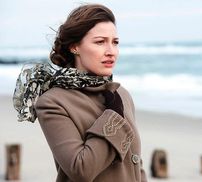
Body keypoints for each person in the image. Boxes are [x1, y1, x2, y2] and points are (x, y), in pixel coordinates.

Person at [13, 3, 147, 182]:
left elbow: (136, 165)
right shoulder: (52, 102)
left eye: (115, 42)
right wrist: (113, 117)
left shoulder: (121, 94)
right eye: (100, 42)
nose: (111, 51)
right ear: (75, 47)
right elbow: (81, 169)